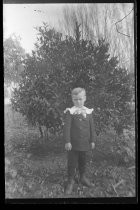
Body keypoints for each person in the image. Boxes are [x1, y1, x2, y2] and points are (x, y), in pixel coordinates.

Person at [63, 87, 96, 195]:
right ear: (72, 100)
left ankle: (82, 177)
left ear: (85, 98)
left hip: (85, 144)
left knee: (83, 161)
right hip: (73, 145)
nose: (78, 101)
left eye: (80, 99)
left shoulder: (88, 112)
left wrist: (92, 140)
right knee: (72, 163)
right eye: (75, 99)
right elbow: (67, 128)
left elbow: (92, 128)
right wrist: (67, 141)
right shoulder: (70, 112)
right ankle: (70, 181)